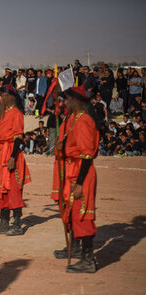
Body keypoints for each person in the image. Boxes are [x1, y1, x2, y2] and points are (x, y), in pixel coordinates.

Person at [51, 85, 98, 273]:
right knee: (72, 213)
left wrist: (79, 183)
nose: (65, 102)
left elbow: (86, 155)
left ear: (76, 101)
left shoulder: (84, 120)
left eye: (68, 99)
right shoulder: (72, 119)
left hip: (81, 173)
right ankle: (77, 250)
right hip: (71, 169)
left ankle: (88, 260)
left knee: (83, 215)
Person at [0, 84, 31, 236]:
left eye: (1, 95)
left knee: (14, 189)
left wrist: (12, 157)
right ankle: (4, 222)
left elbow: (18, 138)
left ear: (10, 97)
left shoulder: (16, 113)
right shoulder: (2, 114)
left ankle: (16, 223)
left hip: (11, 154)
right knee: (2, 189)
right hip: (1, 152)